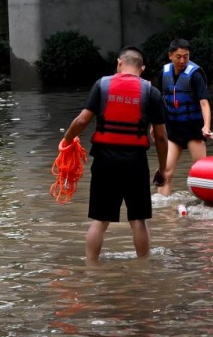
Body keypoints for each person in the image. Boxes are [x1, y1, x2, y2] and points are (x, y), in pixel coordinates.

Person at [61, 46, 168, 266]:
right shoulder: (152, 92)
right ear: (142, 68)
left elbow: (82, 121)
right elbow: (160, 137)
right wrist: (163, 168)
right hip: (135, 160)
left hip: (105, 159)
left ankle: (91, 267)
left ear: (119, 63)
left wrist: (67, 140)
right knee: (138, 219)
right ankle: (144, 269)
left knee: (100, 220)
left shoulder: (102, 85)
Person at [156, 39, 211, 196]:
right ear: (170, 56)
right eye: (178, 57)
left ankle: (204, 208)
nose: (182, 61)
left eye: (186, 57)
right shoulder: (164, 73)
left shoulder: (195, 75)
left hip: (193, 128)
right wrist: (155, 125)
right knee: (165, 172)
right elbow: (158, 101)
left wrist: (206, 125)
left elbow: (204, 103)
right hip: (173, 129)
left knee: (201, 173)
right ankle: (164, 211)